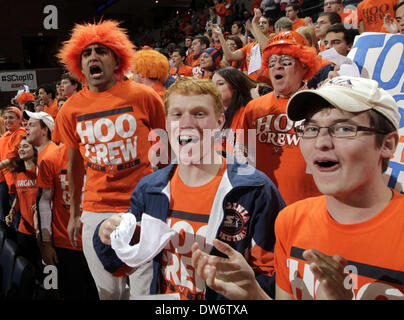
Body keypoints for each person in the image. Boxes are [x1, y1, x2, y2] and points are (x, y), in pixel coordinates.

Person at [192, 76, 404, 300]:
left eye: (343, 128)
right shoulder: (290, 220)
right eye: (311, 128)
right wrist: (254, 295)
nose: (321, 142)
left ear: (387, 144)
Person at [94, 77, 285, 300]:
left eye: (199, 113)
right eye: (177, 114)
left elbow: (273, 275)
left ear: (220, 121)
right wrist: (106, 234)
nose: (186, 123)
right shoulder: (150, 188)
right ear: (166, 123)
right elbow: (121, 265)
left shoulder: (254, 189)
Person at [53, 19, 166, 300]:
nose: (93, 57)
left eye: (101, 51)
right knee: (109, 294)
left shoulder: (144, 96)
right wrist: (76, 213)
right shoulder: (70, 110)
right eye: (87, 53)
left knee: (144, 293)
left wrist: (166, 196)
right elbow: (74, 164)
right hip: (96, 208)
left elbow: (165, 149)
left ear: (117, 60)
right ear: (79, 64)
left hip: (141, 205)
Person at [241, 30, 322, 205]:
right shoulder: (254, 107)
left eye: (286, 62)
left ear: (305, 67)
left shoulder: (322, 106)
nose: (277, 66)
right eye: (271, 62)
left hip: (309, 206)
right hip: (263, 204)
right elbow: (245, 156)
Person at [36, 142, 99, 300]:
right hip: (66, 243)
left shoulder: (101, 155)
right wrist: (46, 243)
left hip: (97, 242)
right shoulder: (51, 158)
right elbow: (44, 202)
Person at [5, 137, 42, 281]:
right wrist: (12, 212)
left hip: (42, 230)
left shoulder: (41, 170)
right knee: (26, 268)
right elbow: (19, 196)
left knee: (45, 269)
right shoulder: (17, 172)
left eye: (26, 146)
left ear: (35, 150)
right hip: (24, 228)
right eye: (20, 146)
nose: (21, 149)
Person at [308, 23, 359, 89]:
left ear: (350, 46)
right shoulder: (320, 71)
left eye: (335, 42)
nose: (328, 47)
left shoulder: (359, 70)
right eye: (326, 43)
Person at [0, 107, 26, 231]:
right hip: (4, 179)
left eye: (11, 117)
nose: (7, 120)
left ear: (19, 120)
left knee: (15, 218)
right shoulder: (6, 134)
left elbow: (11, 158)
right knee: (5, 217)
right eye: (5, 118)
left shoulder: (20, 133)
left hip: (15, 181)